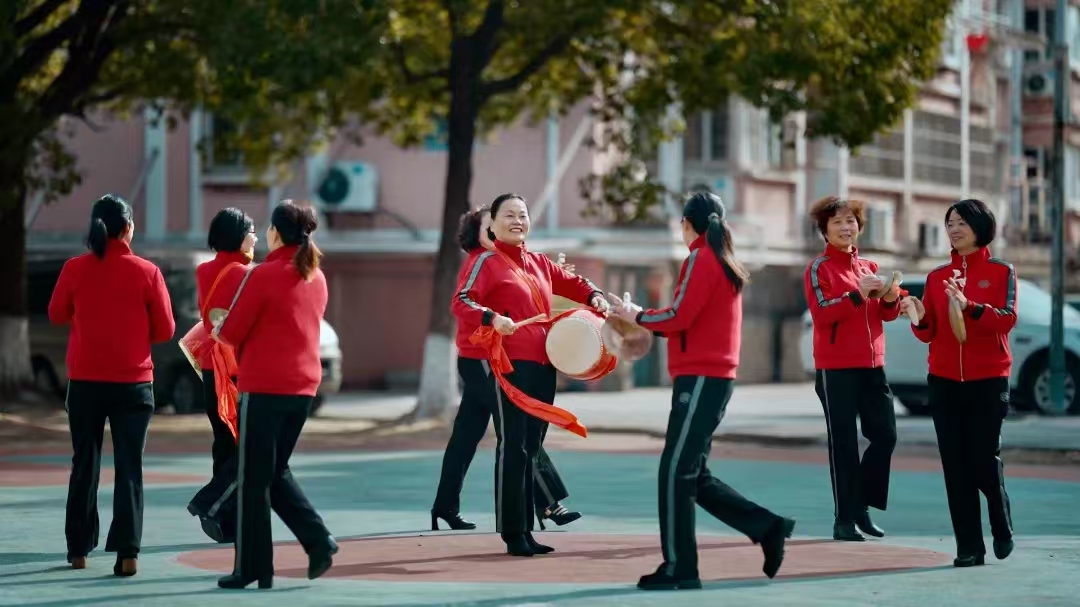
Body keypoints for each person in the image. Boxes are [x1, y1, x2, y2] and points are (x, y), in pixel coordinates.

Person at [610, 192, 795, 591]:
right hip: (711, 377)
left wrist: (636, 315)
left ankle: (680, 567)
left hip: (701, 378)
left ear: (687, 224)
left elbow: (679, 316)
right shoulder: (721, 259)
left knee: (675, 472)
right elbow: (687, 319)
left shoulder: (699, 258)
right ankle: (768, 526)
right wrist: (644, 319)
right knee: (692, 474)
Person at [451, 193, 608, 556]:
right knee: (513, 447)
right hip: (509, 366)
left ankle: (527, 530)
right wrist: (493, 318)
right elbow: (462, 301)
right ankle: (513, 532)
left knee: (532, 448)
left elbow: (575, 283)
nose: (517, 220)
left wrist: (595, 295)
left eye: (522, 214)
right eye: (508, 215)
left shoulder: (539, 262)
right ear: (492, 224)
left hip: (544, 365)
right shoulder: (486, 262)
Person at [432, 206, 582, 532]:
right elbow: (467, 304)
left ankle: (444, 505)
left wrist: (552, 282)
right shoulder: (480, 262)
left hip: (489, 358)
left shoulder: (513, 264)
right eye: (493, 224)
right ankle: (547, 503)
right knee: (518, 430)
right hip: (482, 359)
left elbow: (530, 305)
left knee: (467, 435)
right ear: (481, 232)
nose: (505, 227)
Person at [212, 201, 338, 589]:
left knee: (253, 480)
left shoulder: (263, 275)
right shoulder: (316, 276)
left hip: (264, 387)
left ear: (276, 233)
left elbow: (231, 333)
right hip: (303, 389)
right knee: (274, 471)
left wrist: (218, 326)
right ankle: (318, 541)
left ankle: (251, 568)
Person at [48, 194, 176, 577]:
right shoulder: (147, 272)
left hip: (86, 382)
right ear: (128, 227)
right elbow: (166, 329)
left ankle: (78, 550)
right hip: (134, 384)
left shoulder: (74, 268)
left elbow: (56, 314)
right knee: (129, 466)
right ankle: (128, 553)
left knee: (83, 464)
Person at [900, 199, 1016, 568]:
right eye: (950, 222)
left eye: (962, 221)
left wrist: (968, 306)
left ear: (981, 226)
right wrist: (917, 317)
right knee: (955, 466)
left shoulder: (1000, 272)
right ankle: (969, 546)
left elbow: (1006, 320)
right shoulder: (936, 278)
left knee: (983, 460)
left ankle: (1000, 518)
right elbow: (929, 331)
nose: (954, 228)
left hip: (988, 379)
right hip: (944, 381)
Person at [803, 196, 900, 542]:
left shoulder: (870, 267)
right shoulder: (819, 269)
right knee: (843, 444)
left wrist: (890, 298)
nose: (846, 228)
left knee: (886, 434)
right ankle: (844, 519)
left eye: (851, 222)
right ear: (825, 231)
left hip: (873, 365)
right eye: (838, 223)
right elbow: (823, 314)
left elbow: (885, 315)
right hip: (836, 368)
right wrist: (857, 294)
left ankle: (860, 506)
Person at [185, 208, 257, 543]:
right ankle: (212, 501)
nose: (256, 237)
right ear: (240, 236)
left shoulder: (204, 270)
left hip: (212, 369)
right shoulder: (245, 273)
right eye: (252, 230)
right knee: (252, 447)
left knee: (223, 443)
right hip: (241, 371)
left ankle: (225, 523)